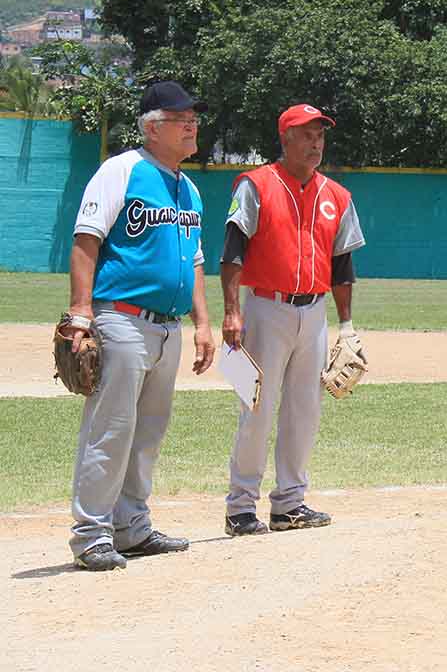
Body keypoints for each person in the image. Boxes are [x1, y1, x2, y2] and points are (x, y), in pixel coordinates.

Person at [64, 81, 216, 571]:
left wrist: (203, 323)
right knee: (110, 429)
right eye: (180, 117)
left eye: (194, 117)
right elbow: (86, 240)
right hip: (122, 319)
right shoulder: (121, 171)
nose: (192, 124)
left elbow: (193, 258)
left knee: (148, 431)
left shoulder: (188, 188)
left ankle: (131, 527)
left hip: (168, 325)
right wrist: (80, 316)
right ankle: (91, 533)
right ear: (153, 128)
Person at [221, 103, 366, 536]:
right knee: (257, 407)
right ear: (286, 138)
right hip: (266, 308)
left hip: (315, 313)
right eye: (307, 133)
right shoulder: (256, 185)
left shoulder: (337, 196)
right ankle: (240, 508)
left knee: (305, 409)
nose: (316, 141)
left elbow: (343, 267)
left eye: (320, 134)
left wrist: (347, 326)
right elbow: (232, 253)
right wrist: (231, 310)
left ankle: (289, 504)